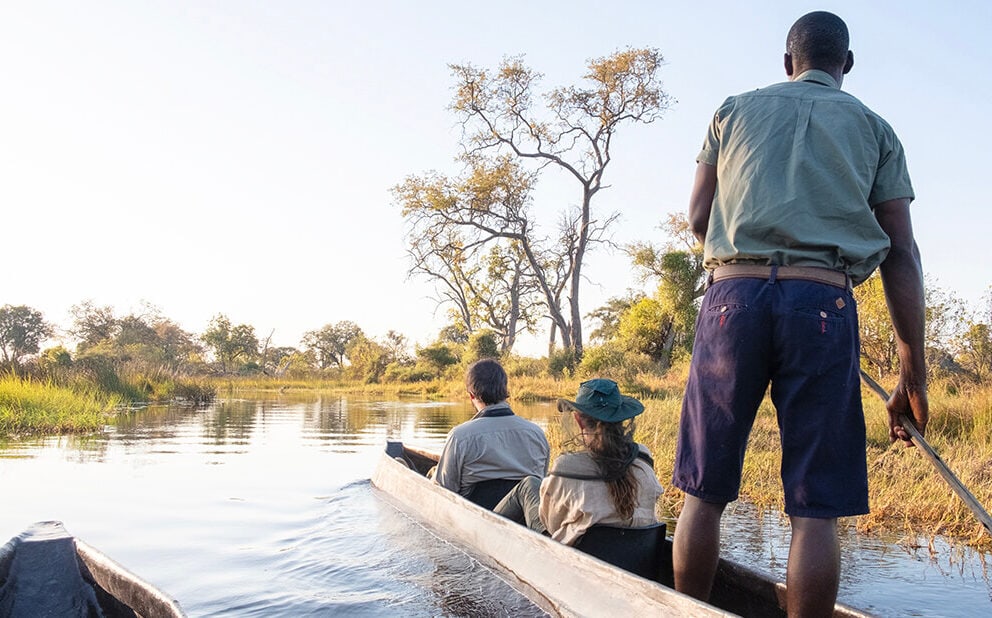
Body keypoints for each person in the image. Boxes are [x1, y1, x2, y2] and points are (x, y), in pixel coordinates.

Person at [671, 11, 929, 617]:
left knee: (702, 495)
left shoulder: (731, 112)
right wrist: (911, 370)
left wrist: (743, 262)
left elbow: (697, 218)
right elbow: (902, 252)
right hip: (822, 304)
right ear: (847, 65)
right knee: (815, 509)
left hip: (731, 300)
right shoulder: (874, 128)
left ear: (788, 63)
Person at [494, 378, 663, 546]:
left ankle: (485, 529)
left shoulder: (567, 467)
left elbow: (551, 524)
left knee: (529, 484)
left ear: (578, 420)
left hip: (575, 559)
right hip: (636, 553)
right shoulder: (643, 457)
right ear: (622, 419)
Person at [433, 358, 549, 508]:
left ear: (471, 395)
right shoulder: (537, 434)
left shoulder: (460, 437)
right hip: (525, 520)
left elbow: (443, 492)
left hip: (475, 520)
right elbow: (542, 481)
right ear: (505, 389)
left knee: (433, 474)